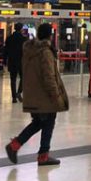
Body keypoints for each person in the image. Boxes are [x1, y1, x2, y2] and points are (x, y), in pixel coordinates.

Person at [5, 23, 68, 166]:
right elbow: (49, 76)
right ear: (50, 36)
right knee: (48, 123)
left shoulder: (30, 50)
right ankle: (43, 156)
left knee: (39, 123)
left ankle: (14, 146)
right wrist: (56, 96)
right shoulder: (45, 52)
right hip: (44, 96)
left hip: (33, 94)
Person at [3, 23, 27, 103]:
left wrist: (4, 61)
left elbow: (5, 50)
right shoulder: (24, 39)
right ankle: (19, 92)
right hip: (21, 61)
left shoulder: (9, 38)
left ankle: (14, 97)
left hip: (12, 61)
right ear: (21, 29)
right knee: (23, 78)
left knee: (12, 79)